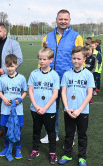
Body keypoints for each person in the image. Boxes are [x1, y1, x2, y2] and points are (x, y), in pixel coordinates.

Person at [40, 9, 83, 144]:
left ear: (69, 20)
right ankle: (53, 134)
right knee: (51, 108)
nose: (63, 21)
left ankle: (71, 137)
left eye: (65, 19)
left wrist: (78, 75)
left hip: (69, 79)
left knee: (69, 108)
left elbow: (81, 58)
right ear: (56, 19)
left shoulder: (77, 37)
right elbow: (43, 56)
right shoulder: (47, 36)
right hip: (51, 78)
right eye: (60, 19)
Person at [58, 46, 95, 166]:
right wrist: (67, 108)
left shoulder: (88, 75)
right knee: (69, 133)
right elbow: (63, 92)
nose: (76, 61)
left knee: (82, 134)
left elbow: (89, 94)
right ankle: (67, 154)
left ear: (84, 59)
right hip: (69, 110)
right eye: (74, 58)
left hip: (82, 111)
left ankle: (82, 156)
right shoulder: (67, 74)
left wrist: (79, 110)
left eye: (79, 58)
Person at [0, 23, 23, 138]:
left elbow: (19, 59)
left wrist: (4, 70)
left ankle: (12, 126)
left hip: (8, 78)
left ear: (5, 32)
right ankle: (2, 128)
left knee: (9, 102)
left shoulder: (14, 44)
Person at [27, 42, 59, 165]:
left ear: (51, 60)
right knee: (36, 130)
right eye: (40, 59)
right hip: (35, 108)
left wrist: (45, 108)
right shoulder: (34, 73)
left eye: (44, 59)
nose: (41, 61)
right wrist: (36, 106)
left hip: (49, 110)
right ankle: (35, 150)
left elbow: (55, 94)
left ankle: (52, 152)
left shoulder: (55, 75)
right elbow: (30, 90)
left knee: (51, 131)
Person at [0, 54, 27, 160]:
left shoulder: (21, 78)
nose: (10, 69)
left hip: (17, 110)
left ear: (16, 65)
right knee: (6, 129)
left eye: (12, 66)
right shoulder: (2, 78)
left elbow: (25, 92)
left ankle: (18, 149)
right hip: (5, 110)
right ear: (5, 65)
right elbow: (0, 92)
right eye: (8, 66)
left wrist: (19, 100)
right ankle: (6, 147)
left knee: (17, 129)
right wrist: (4, 99)